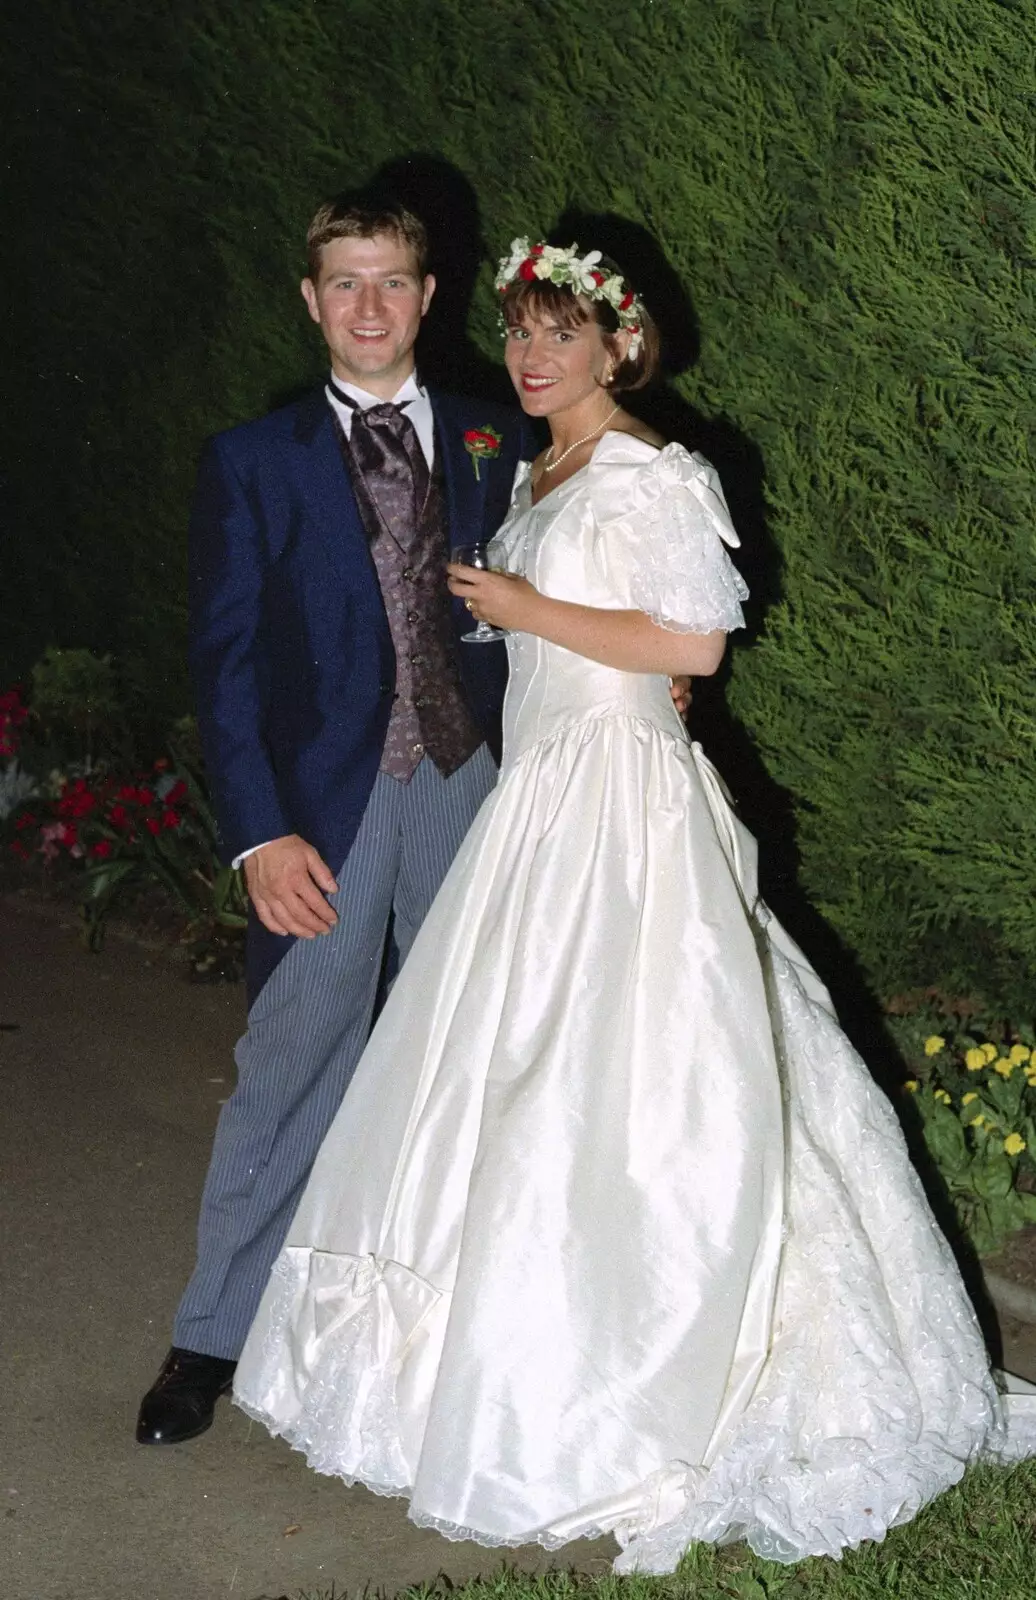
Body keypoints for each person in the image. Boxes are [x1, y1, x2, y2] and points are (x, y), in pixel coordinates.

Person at [232, 236, 1036, 1568]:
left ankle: (650, 1386)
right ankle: (492, 1379)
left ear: (620, 346)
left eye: (563, 336)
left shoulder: (654, 469)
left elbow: (694, 644)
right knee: (507, 1080)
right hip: (542, 801)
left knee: (636, 1078)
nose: (536, 359)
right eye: (523, 337)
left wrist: (531, 607)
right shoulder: (541, 468)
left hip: (620, 808)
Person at [135, 195, 540, 1446]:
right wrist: (259, 835)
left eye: (393, 282)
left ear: (429, 296)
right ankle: (211, 1330)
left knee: (489, 1053)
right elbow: (229, 661)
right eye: (345, 284)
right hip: (325, 808)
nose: (370, 307)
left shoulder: (496, 433)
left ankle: (481, 1332)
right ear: (310, 301)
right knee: (294, 1057)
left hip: (476, 784)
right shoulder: (251, 460)